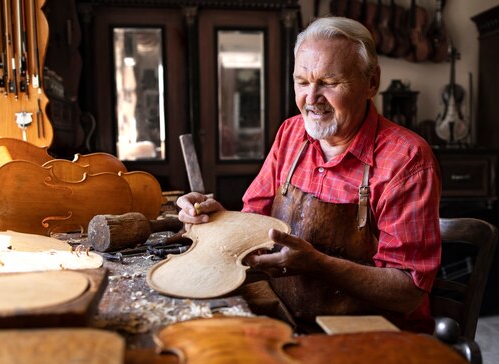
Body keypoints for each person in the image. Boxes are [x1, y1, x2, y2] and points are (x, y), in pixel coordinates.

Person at [177, 16, 441, 334]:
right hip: (290, 317)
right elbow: (253, 223)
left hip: (376, 331)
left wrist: (318, 265)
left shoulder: (406, 159)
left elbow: (407, 292)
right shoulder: (291, 134)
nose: (311, 98)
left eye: (329, 83)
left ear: (372, 82)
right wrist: (218, 220)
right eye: (302, 82)